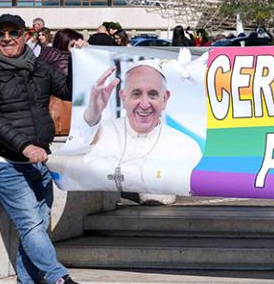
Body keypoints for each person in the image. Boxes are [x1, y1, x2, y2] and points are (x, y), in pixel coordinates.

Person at [0, 14, 96, 284]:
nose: (7, 38)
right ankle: (60, 280)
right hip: (2, 160)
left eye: (14, 32)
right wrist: (24, 146)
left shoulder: (38, 68)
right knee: (30, 225)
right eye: (1, 34)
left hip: (38, 160)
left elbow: (69, 90)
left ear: (26, 35)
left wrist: (79, 57)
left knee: (34, 228)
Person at [48, 61, 202, 195]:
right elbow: (72, 163)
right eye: (136, 94)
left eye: (153, 95)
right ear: (123, 97)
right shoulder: (103, 132)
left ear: (165, 99)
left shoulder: (186, 146)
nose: (144, 104)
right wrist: (92, 114)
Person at [40, 29, 84, 136]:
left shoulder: (46, 56)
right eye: (73, 45)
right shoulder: (58, 58)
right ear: (64, 43)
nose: (77, 49)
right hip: (61, 114)